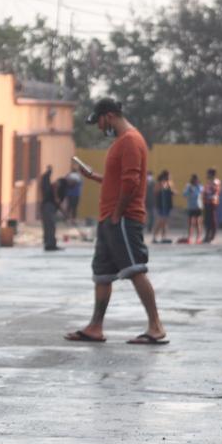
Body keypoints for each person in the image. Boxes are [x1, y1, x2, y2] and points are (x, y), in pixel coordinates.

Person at [64, 98, 168, 346]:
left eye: (99, 122)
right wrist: (93, 176)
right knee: (102, 274)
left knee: (135, 270)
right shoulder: (121, 143)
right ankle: (95, 327)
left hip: (122, 219)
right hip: (109, 218)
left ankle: (156, 327)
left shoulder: (131, 141)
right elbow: (118, 180)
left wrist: (117, 214)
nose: (100, 128)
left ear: (109, 116)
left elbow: (131, 183)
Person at [39, 164, 62, 251]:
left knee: (49, 225)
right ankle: (50, 243)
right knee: (50, 225)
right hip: (47, 206)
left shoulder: (47, 182)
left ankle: (49, 242)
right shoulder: (47, 182)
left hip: (48, 206)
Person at [153, 170, 174, 244]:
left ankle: (164, 237)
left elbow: (171, 191)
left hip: (167, 205)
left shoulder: (169, 183)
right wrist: (162, 186)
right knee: (161, 221)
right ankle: (155, 236)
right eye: (168, 176)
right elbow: (155, 191)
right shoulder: (159, 183)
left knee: (165, 222)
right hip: (161, 205)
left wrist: (171, 189)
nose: (170, 177)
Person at [202, 167, 221, 244]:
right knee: (207, 220)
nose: (207, 175)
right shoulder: (209, 182)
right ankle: (207, 235)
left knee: (212, 220)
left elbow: (214, 192)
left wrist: (206, 193)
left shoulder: (215, 182)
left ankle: (212, 236)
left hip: (212, 202)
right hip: (207, 202)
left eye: (208, 173)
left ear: (211, 174)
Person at [182, 173, 203, 244]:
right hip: (191, 207)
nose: (195, 181)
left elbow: (198, 194)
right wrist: (189, 190)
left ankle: (198, 238)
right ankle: (189, 238)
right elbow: (184, 194)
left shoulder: (199, 186)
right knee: (190, 223)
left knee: (197, 223)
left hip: (198, 206)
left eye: (196, 179)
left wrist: (193, 190)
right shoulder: (188, 186)